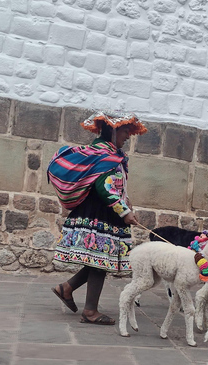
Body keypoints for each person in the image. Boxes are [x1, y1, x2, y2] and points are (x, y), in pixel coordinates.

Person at [48, 111, 144, 325]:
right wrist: (124, 212)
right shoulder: (106, 156)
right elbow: (105, 188)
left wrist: (125, 205)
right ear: (113, 130)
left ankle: (67, 288)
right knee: (99, 261)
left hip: (95, 212)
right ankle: (90, 311)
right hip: (100, 216)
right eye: (126, 131)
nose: (128, 136)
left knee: (97, 261)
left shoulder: (101, 152)